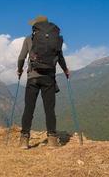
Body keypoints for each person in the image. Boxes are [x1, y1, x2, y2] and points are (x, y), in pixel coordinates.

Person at [17, 15, 70, 149]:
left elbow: (21, 57)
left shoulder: (29, 39)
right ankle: (52, 140)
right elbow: (60, 57)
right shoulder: (54, 39)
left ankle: (24, 140)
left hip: (33, 78)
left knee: (29, 108)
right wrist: (65, 70)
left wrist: (19, 70)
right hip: (49, 78)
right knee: (49, 110)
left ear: (36, 26)